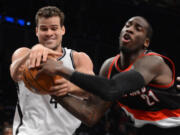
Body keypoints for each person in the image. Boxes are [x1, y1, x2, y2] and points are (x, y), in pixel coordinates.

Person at [37, 16, 180, 135]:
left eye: (138, 28)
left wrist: (60, 69)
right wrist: (52, 90)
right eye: (127, 25)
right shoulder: (109, 67)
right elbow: (91, 115)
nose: (130, 29)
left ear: (146, 42)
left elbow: (112, 89)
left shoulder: (153, 62)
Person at [10, 6, 95, 135]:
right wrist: (33, 51)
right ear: (36, 31)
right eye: (44, 29)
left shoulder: (78, 58)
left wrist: (69, 87)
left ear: (63, 30)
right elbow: (15, 73)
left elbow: (92, 91)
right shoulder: (24, 53)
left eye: (54, 28)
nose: (49, 33)